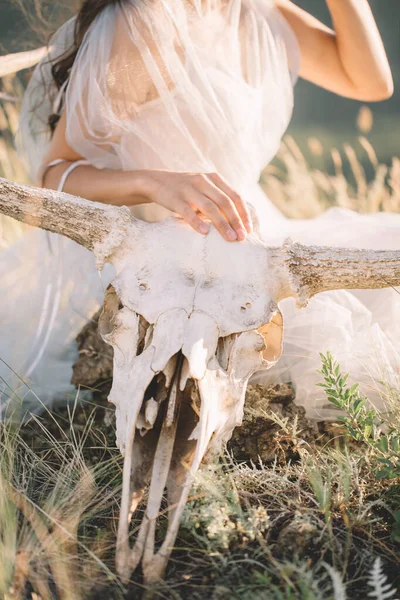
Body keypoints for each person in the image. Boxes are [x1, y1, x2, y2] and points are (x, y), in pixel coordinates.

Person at [2, 0, 399, 420]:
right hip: (155, 259)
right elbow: (53, 176)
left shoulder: (261, 12)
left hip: (250, 238)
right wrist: (154, 182)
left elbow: (370, 82)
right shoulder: (142, 22)